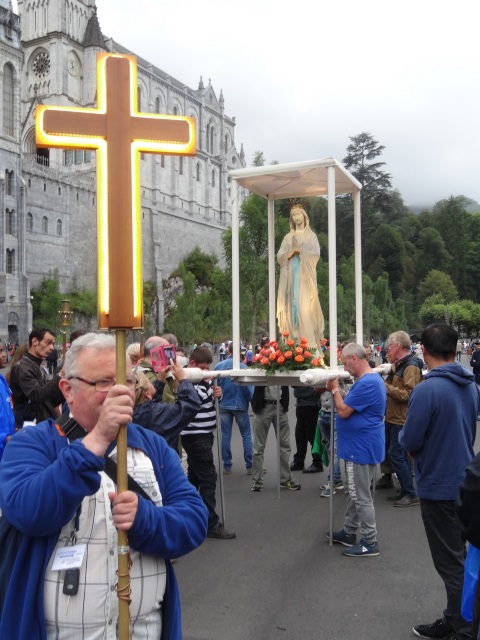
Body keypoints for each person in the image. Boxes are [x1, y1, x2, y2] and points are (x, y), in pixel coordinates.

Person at [0, 332, 208, 639]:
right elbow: (30, 512)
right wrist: (96, 439)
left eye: (126, 381)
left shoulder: (153, 447)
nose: (118, 393)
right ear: (68, 390)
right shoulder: (32, 444)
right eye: (103, 383)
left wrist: (145, 520)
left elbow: (193, 521)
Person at [399, 323, 478, 640]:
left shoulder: (426, 390)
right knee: (460, 557)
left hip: (437, 484)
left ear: (424, 350)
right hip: (465, 480)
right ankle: (455, 616)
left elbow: (410, 438)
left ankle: (463, 626)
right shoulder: (470, 385)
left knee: (450, 563)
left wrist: (406, 438)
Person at [325, 342, 386, 557]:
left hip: (360, 447)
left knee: (360, 495)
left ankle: (370, 541)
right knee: (355, 492)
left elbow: (343, 411)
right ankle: (350, 531)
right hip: (361, 445)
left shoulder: (368, 382)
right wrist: (339, 391)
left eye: (344, 362)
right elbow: (350, 404)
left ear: (354, 359)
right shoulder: (367, 380)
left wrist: (333, 389)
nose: (344, 368)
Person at [181, 346, 236, 539]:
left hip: (203, 434)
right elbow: (195, 401)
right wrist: (207, 387)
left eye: (207, 369)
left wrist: (216, 396)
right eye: (203, 368)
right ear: (193, 364)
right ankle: (210, 523)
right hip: (196, 436)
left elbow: (207, 403)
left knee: (194, 480)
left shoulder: (200, 382)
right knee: (208, 479)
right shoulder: (188, 381)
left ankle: (187, 517)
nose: (206, 372)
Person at [380, 331, 423, 507]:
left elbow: (409, 394)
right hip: (394, 417)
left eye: (389, 347)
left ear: (398, 346)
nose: (386, 351)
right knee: (399, 455)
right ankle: (406, 489)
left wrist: (385, 387)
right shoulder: (400, 364)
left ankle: (410, 493)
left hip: (401, 419)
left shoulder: (410, 366)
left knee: (395, 454)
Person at [277, 206, 324, 350]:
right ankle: (292, 342)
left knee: (305, 309)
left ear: (304, 216)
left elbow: (315, 254)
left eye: (298, 214)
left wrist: (301, 251)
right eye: (293, 215)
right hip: (290, 277)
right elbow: (280, 256)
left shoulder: (311, 236)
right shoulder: (288, 237)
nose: (296, 217)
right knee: (291, 307)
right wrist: (292, 251)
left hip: (305, 277)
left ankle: (309, 346)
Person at [133, 367, 201, 450]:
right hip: (164, 459)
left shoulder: (132, 412)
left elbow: (149, 405)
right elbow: (191, 405)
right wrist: (183, 380)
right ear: (147, 394)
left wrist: (160, 381)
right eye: (149, 382)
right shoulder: (158, 412)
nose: (152, 383)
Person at [9, 328, 64, 428]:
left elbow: (48, 398)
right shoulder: (23, 367)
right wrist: (60, 375)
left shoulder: (36, 366)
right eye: (48, 343)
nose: (52, 347)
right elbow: (37, 396)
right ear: (35, 341)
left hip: (43, 424)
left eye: (53, 344)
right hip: (31, 427)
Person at [250, 385, 301, 492]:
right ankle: (257, 480)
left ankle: (285, 479)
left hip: (281, 407)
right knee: (258, 447)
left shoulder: (284, 367)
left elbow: (294, 383)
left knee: (285, 445)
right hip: (263, 407)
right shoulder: (260, 367)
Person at [214, 342, 253, 474]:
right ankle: (249, 465)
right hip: (240, 404)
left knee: (226, 435)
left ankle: (227, 465)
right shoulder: (244, 368)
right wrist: (252, 401)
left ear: (228, 351)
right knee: (246, 435)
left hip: (223, 403)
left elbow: (214, 385)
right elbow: (249, 390)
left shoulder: (218, 366)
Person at [290, 386, 323, 474]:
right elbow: (293, 384)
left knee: (312, 434)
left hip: (311, 403)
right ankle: (299, 461)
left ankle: (317, 461)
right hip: (301, 403)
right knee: (300, 434)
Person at [0, 341, 15, 461]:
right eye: (0, 352)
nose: (4, 354)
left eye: (3, 350)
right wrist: (4, 438)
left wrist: (14, 429)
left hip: (6, 452)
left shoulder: (2, 379)